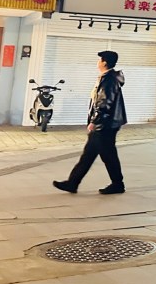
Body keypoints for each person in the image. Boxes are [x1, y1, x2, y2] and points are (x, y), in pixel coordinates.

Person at [53, 51, 128, 195]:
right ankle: (73, 183)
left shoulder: (109, 79)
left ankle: (117, 184)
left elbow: (105, 102)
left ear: (105, 62)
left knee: (107, 155)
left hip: (105, 124)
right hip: (107, 123)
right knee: (89, 155)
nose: (98, 62)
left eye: (100, 60)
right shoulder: (106, 77)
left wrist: (95, 121)